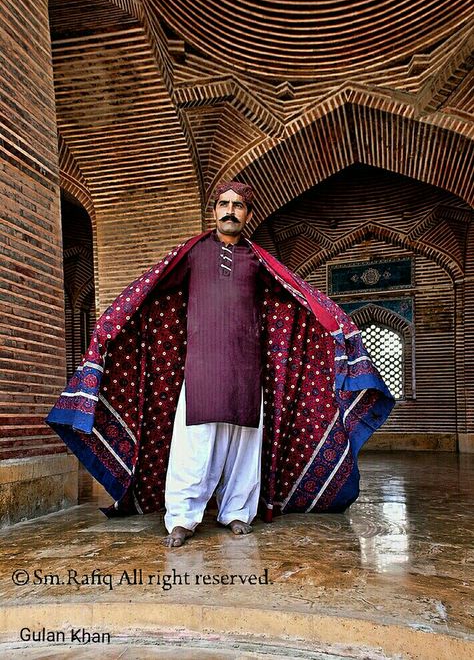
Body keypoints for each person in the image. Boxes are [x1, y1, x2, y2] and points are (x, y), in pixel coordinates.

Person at [46, 181, 394, 548]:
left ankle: (238, 513)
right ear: (214, 211)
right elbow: (152, 290)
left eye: (238, 205)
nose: (230, 211)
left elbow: (295, 299)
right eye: (224, 204)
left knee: (244, 445)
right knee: (194, 444)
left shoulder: (257, 260)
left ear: (248, 214)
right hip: (201, 366)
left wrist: (334, 324)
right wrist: (117, 323)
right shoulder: (194, 253)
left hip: (247, 366)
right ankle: (182, 518)